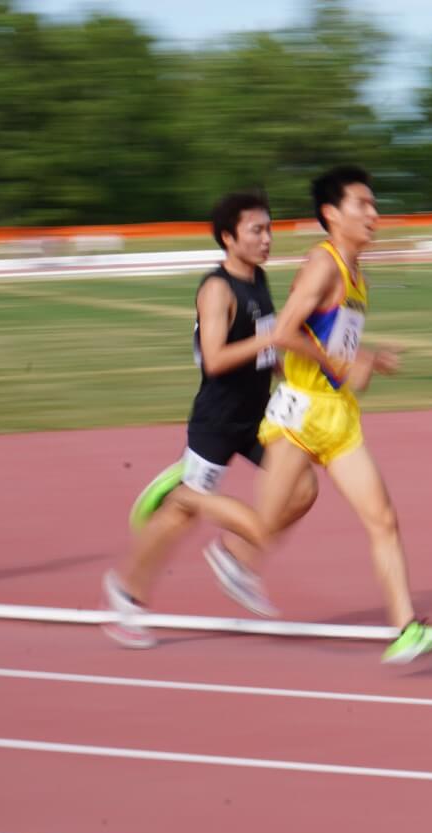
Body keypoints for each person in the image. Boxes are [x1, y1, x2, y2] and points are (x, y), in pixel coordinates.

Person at [102, 191, 314, 648]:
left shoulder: (257, 280)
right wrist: (271, 340)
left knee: (302, 488)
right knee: (182, 517)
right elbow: (215, 360)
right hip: (217, 422)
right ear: (228, 237)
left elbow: (267, 345)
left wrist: (298, 370)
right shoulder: (216, 289)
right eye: (256, 230)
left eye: (269, 228)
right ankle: (126, 595)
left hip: (259, 418)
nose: (267, 238)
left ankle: (233, 556)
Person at [256, 165, 432, 664]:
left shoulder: (356, 273)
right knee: (264, 522)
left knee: (382, 518)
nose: (373, 213)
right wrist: (345, 362)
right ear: (330, 214)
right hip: (301, 412)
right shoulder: (322, 265)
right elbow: (284, 334)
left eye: (374, 204)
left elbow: (330, 341)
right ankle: (187, 498)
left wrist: (368, 361)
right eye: (361, 204)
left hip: (339, 416)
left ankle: (405, 629)